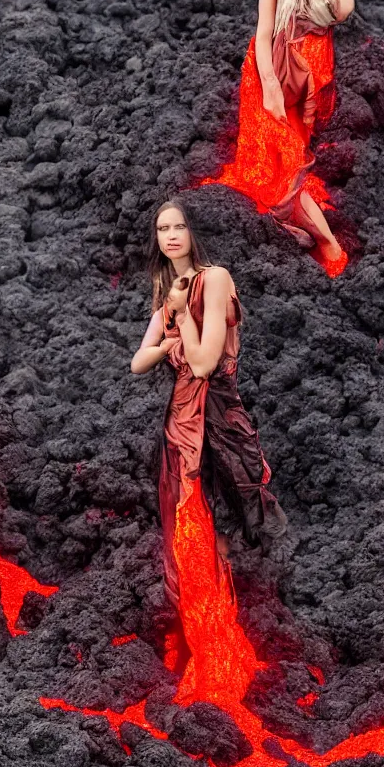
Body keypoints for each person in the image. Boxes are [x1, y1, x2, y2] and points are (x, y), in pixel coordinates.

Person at [131, 198, 287, 607]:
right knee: (192, 518)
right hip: (181, 425)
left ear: (194, 231)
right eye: (162, 230)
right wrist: (168, 340)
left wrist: (181, 319)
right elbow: (137, 362)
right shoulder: (168, 293)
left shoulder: (214, 278)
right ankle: (203, 611)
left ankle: (252, 602)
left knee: (240, 503)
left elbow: (203, 365)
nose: (170, 236)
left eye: (178, 227)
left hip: (219, 416)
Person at [200, 0, 354, 271]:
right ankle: (331, 247)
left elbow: (342, 11)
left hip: (310, 71)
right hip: (271, 68)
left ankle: (293, 229)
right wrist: (269, 84)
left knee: (289, 160)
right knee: (278, 161)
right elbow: (264, 31)